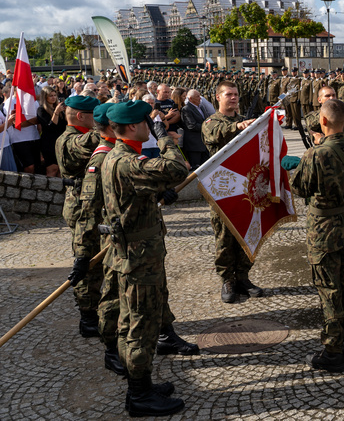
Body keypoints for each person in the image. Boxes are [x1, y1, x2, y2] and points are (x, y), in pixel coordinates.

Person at [102, 100, 190, 417]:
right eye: (146, 122)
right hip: (139, 260)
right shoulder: (127, 162)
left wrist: (155, 191)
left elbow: (133, 196)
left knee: (136, 322)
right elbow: (179, 168)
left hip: (134, 254)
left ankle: (143, 384)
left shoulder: (116, 158)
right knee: (140, 326)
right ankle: (138, 396)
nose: (149, 125)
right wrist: (164, 135)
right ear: (134, 127)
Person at [286, 98, 344, 372]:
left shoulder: (315, 155)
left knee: (329, 290)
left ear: (322, 122)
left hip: (324, 231)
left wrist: (294, 168)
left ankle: (333, 350)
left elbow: (299, 188)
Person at [202, 80, 262, 303]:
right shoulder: (211, 122)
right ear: (218, 97)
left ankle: (243, 276)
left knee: (245, 233)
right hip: (222, 188)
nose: (234, 98)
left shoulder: (244, 121)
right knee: (225, 236)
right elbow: (214, 135)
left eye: (236, 94)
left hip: (245, 187)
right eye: (229, 94)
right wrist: (238, 127)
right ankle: (227, 279)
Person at [55, 95, 102, 336]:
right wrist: (110, 122)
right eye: (96, 115)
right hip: (82, 209)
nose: (99, 120)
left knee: (101, 262)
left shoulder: (86, 134)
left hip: (97, 206)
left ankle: (103, 310)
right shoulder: (67, 140)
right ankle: (88, 316)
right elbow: (86, 144)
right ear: (81, 116)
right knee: (88, 262)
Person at [37, 87, 67, 177]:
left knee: (60, 170)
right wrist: (56, 112)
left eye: (54, 95)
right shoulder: (41, 110)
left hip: (60, 142)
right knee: (52, 169)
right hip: (49, 143)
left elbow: (64, 125)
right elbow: (51, 126)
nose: (53, 98)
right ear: (45, 97)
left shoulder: (59, 109)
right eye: (50, 96)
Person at [181, 89, 209, 170]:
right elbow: (191, 126)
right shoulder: (186, 109)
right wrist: (207, 127)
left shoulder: (201, 107)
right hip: (194, 144)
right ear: (190, 99)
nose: (200, 98)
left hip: (204, 142)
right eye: (197, 96)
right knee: (196, 169)